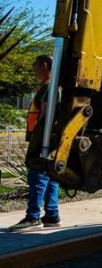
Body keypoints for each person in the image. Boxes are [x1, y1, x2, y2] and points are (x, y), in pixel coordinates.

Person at [9, 55, 61, 231]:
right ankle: (52, 216)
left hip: (43, 140)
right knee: (50, 176)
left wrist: (39, 138)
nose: (33, 68)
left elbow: (46, 116)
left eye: (35, 65)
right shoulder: (48, 88)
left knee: (37, 175)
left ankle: (33, 217)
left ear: (44, 65)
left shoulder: (49, 89)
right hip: (45, 139)